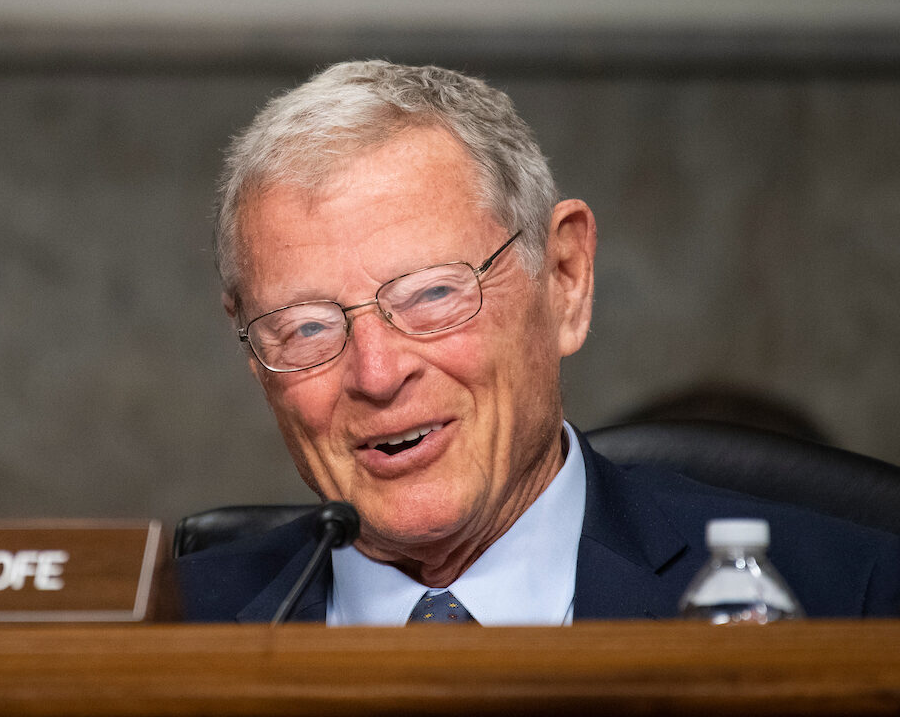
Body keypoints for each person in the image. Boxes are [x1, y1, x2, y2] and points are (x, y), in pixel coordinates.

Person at [175, 60, 900, 624]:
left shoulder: (852, 596)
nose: (377, 372)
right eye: (307, 327)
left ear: (565, 278)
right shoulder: (159, 632)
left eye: (432, 294)